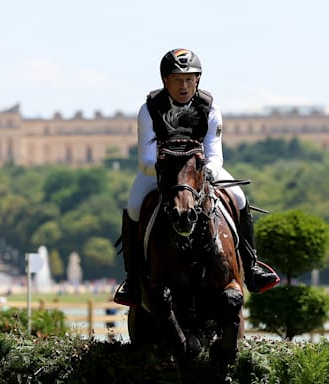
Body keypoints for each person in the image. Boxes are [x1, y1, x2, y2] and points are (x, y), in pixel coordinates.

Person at [113, 48, 280, 307]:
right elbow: (145, 158)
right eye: (178, 79)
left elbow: (215, 155)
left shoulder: (210, 109)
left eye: (190, 79)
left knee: (239, 196)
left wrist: (203, 174)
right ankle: (133, 278)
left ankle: (252, 265)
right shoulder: (149, 110)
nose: (184, 85)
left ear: (197, 81)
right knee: (134, 206)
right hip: (160, 172)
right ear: (165, 81)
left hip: (200, 171)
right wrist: (169, 171)